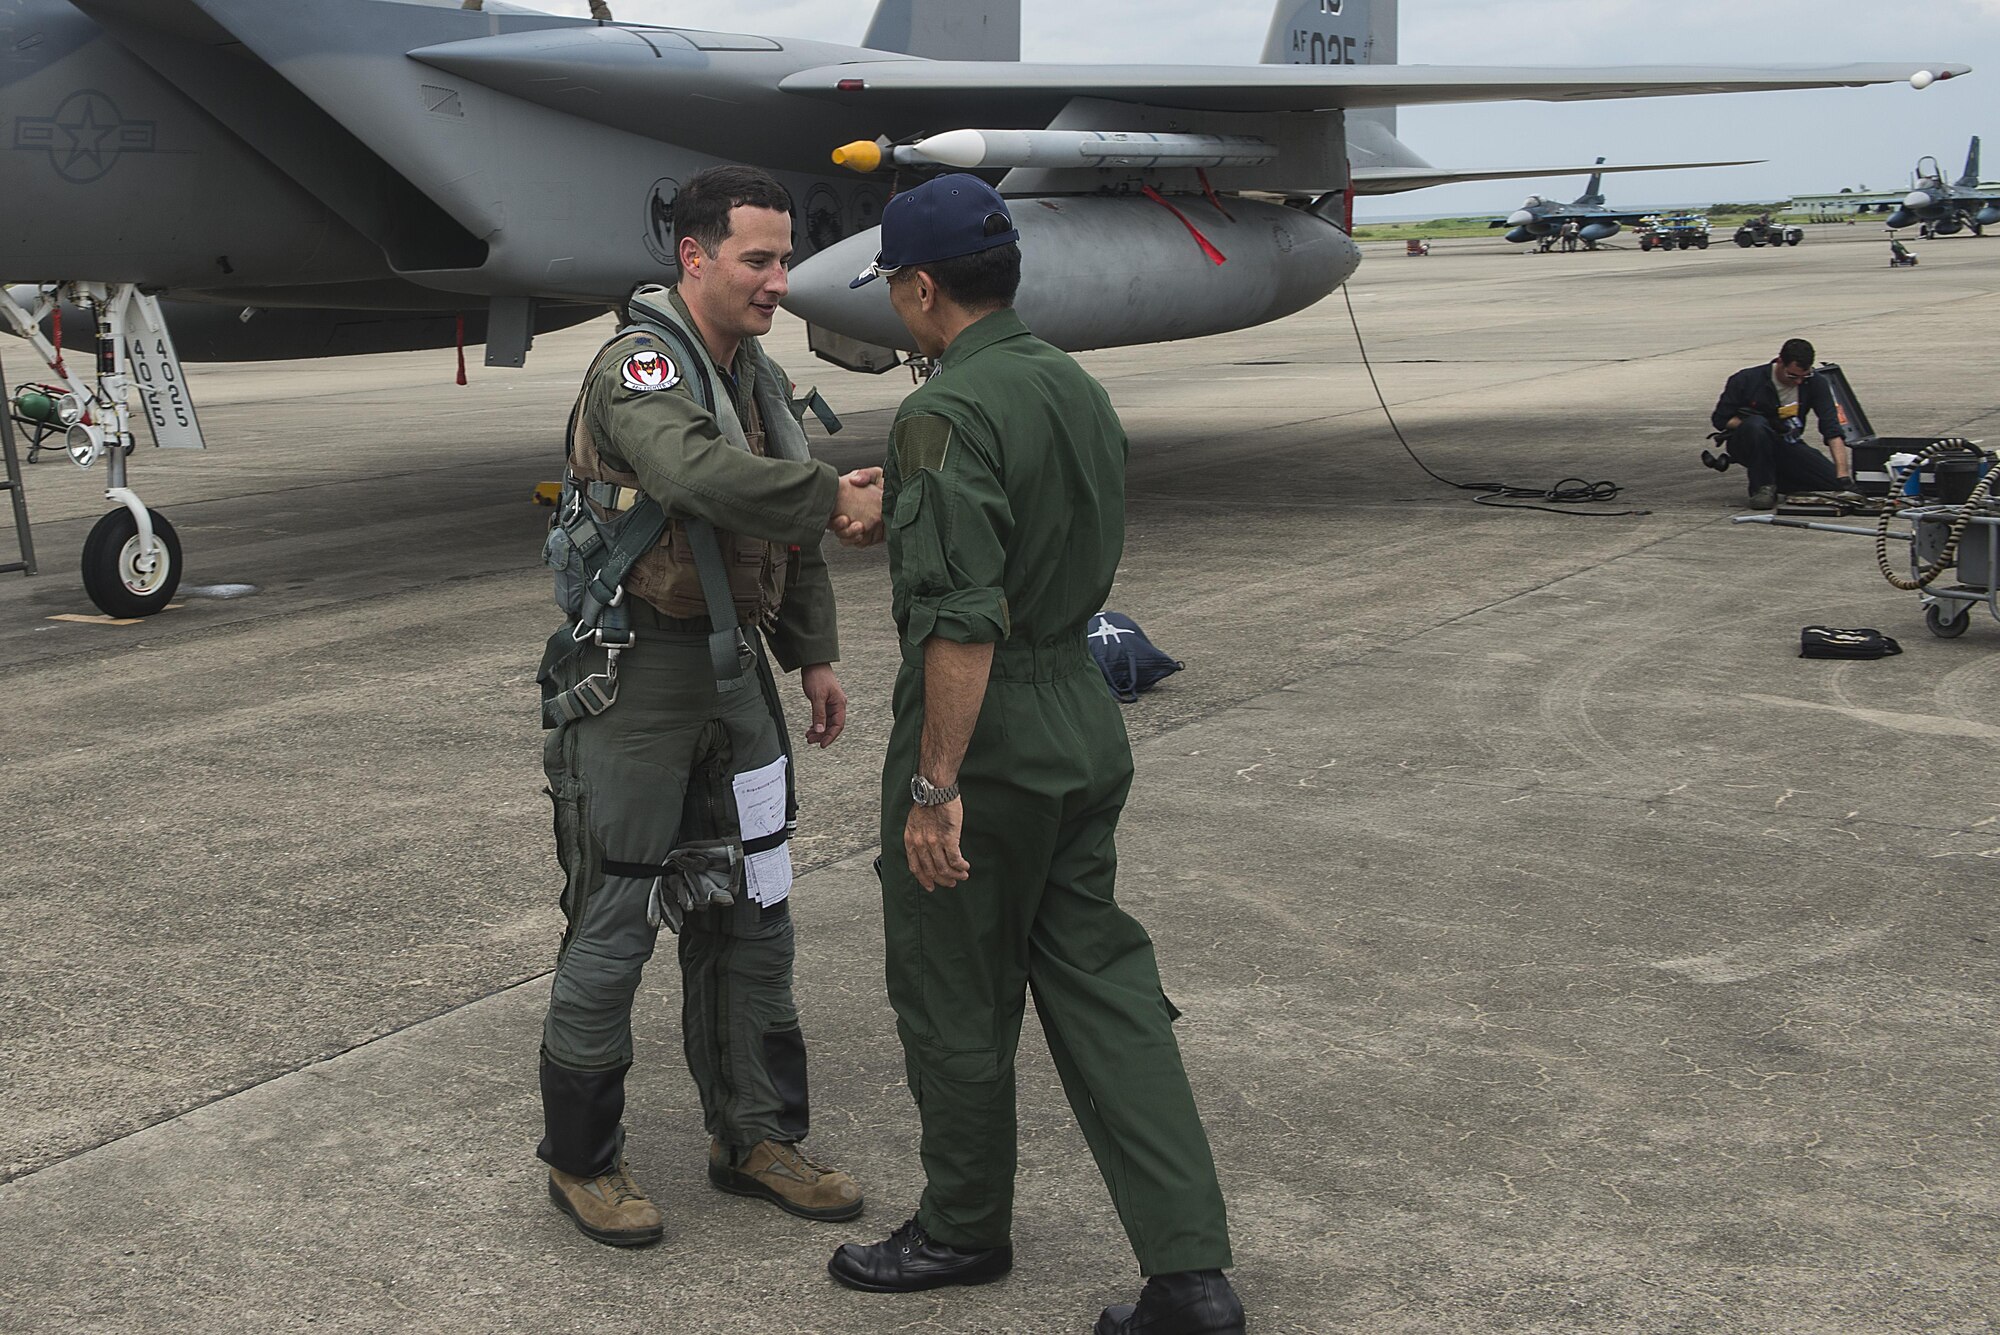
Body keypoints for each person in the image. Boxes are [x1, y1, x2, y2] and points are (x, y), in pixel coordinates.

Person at [827, 175, 1244, 1335]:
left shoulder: (941, 413)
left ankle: (961, 1227)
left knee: (952, 984)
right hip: (1080, 708)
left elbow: (963, 620)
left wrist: (932, 788)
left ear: (919, 289)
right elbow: (1029, 536)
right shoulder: (1068, 382)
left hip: (989, 728)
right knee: (1103, 986)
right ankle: (1189, 1274)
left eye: (895, 292)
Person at [533, 165, 883, 1247]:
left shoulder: (756, 378)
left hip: (738, 686)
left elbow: (778, 535)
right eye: (758, 260)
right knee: (613, 926)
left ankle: (755, 1137)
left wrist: (813, 659)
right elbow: (693, 478)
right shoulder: (640, 367)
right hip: (637, 683)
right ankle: (582, 1163)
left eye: (783, 259)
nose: (779, 281)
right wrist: (828, 497)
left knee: (753, 916)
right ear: (695, 257)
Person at [1709, 337, 1853, 510]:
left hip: (1786, 442)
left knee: (1831, 483)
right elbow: (1720, 420)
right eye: (1792, 376)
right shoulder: (1746, 379)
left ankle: (1783, 482)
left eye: (1804, 376)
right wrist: (1762, 425)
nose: (1798, 381)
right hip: (1749, 442)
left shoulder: (1815, 383)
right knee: (1757, 425)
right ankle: (1762, 488)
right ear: (1779, 362)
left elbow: (1832, 429)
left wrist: (1843, 476)